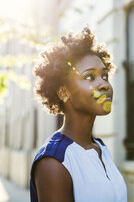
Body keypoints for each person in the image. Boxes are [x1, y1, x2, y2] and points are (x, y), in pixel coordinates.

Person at [30, 26, 127, 202]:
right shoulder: (54, 161)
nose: (104, 84)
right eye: (89, 77)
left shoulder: (100, 148)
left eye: (104, 76)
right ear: (63, 92)